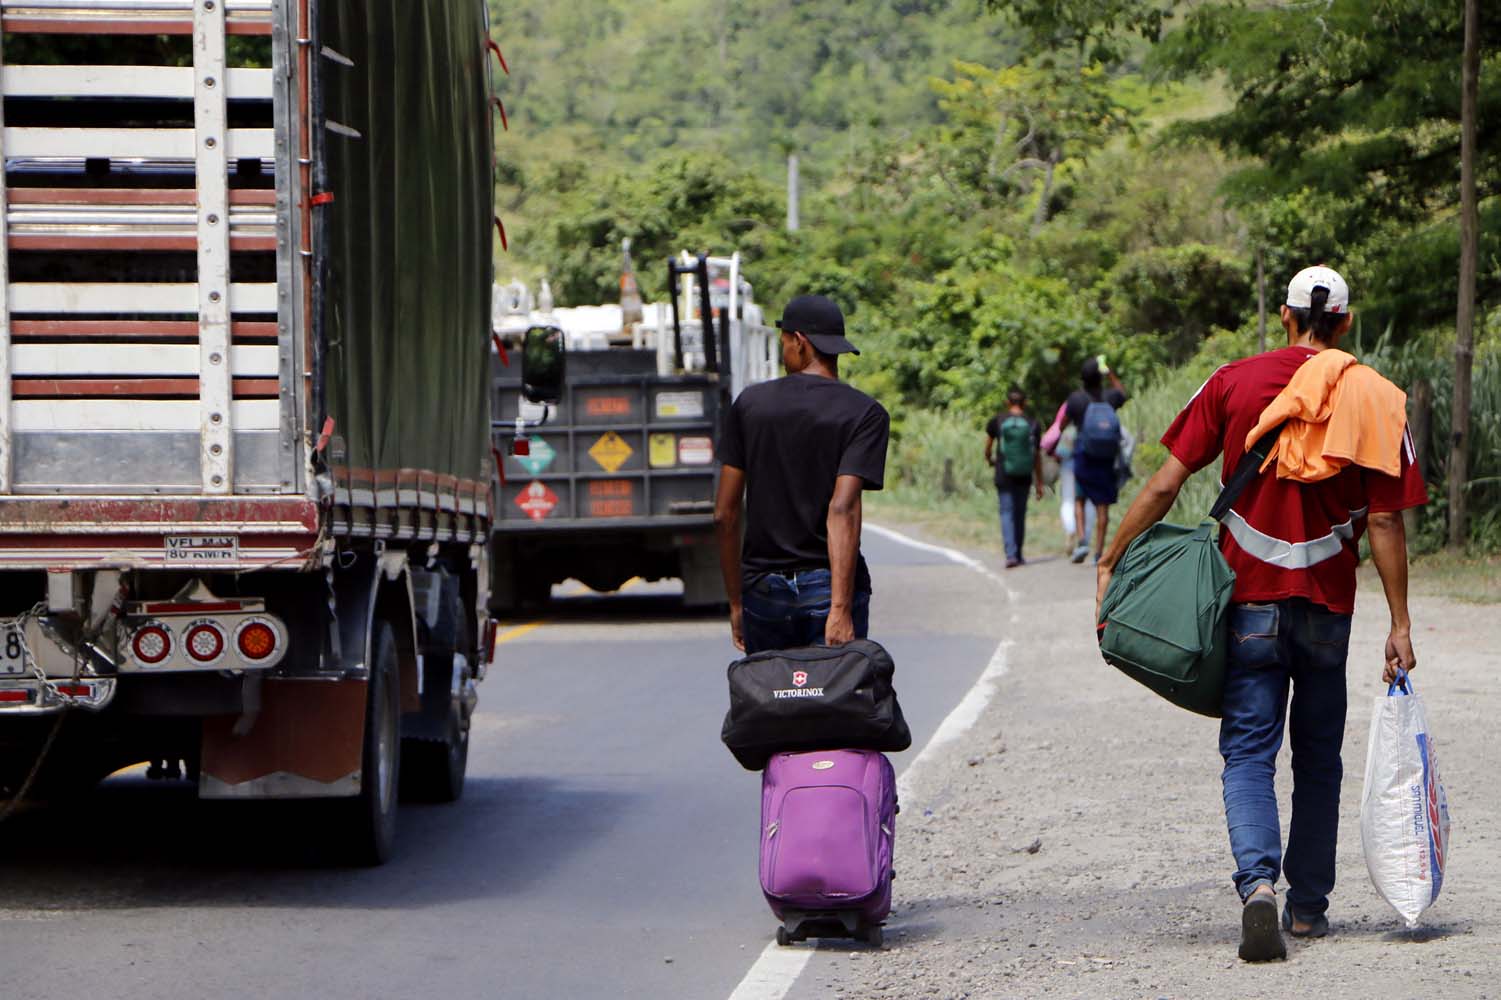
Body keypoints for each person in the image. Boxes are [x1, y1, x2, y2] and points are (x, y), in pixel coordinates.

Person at [1094, 265, 1425, 963]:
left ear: (1283, 316)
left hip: (1246, 605)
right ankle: (1307, 909)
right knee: (1318, 759)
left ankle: (1256, 888)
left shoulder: (1231, 381)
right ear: (1343, 321)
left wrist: (1110, 557)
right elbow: (1388, 524)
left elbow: (1164, 482)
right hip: (1328, 609)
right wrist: (1398, 625)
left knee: (1247, 752)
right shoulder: (1375, 396)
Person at [715, 294, 890, 654]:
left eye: (783, 340)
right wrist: (840, 609)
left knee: (769, 702)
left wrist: (736, 603)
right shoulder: (865, 413)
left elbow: (725, 513)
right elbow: (843, 509)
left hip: (763, 592)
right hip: (828, 588)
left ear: (800, 341)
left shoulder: (750, 405)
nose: (783, 349)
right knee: (839, 699)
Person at [1057, 356, 1128, 563]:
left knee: (1080, 499)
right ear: (1100, 377)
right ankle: (1099, 552)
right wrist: (1111, 374)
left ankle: (1082, 541)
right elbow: (1123, 393)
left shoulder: (1076, 399)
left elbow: (1063, 423)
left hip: (1084, 455)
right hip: (1106, 457)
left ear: (1082, 379)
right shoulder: (1110, 397)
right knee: (1102, 505)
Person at [984, 387, 1044, 568]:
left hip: (1004, 473)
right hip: (1024, 475)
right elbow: (1036, 456)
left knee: (1006, 512)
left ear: (1007, 402)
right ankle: (1018, 554)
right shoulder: (1033, 423)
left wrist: (989, 459)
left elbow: (988, 445)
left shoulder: (998, 421)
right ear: (1024, 403)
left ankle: (1010, 555)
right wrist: (1039, 481)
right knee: (1020, 513)